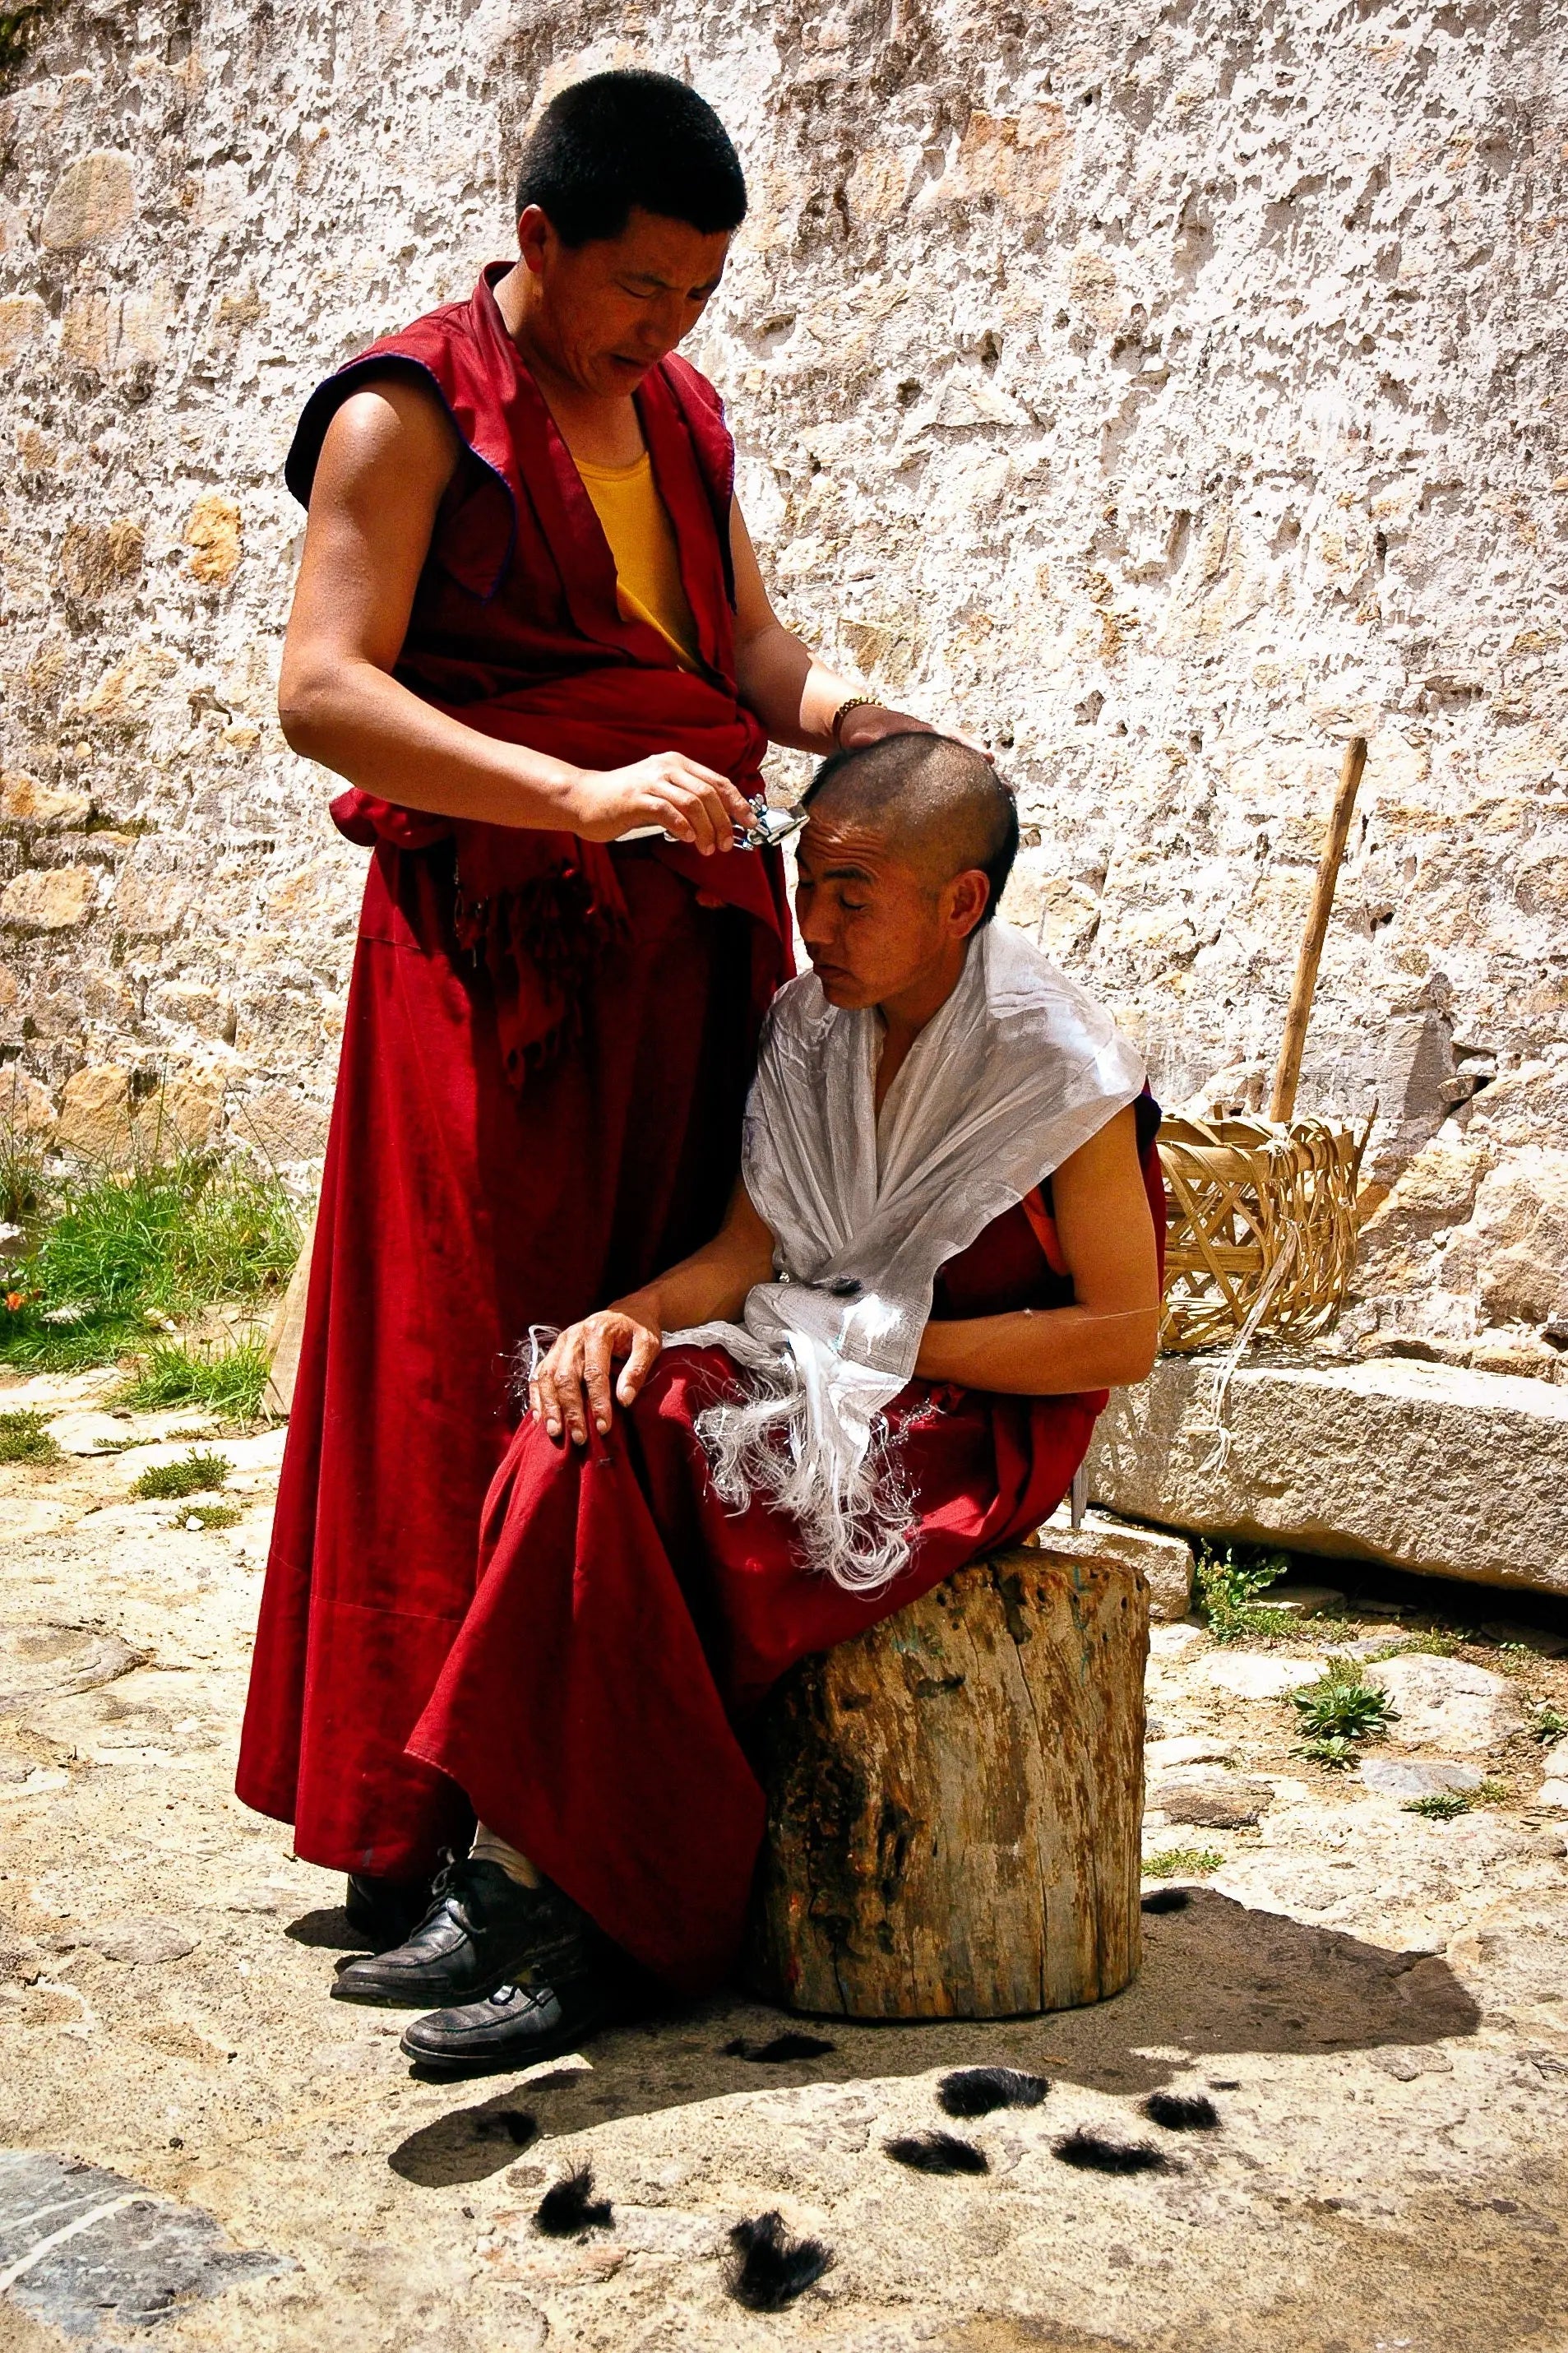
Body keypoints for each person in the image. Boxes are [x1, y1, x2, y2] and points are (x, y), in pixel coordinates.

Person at [234, 71, 948, 1940]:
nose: (669, 331)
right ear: (536, 238)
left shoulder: (681, 415)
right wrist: (576, 795)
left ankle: (584, 1825)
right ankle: (434, 1817)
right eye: (642, 289)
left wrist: (842, 714)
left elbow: (733, 651)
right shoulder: (408, 419)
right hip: (499, 974)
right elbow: (324, 689)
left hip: (682, 959)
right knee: (467, 1362)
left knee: (638, 1363)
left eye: (701, 297)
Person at [329, 734, 1165, 2071]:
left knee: (677, 1489)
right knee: (595, 1422)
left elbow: (1120, 1333)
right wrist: (628, 1320)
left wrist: (886, 1347)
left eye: (854, 894)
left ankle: (589, 1923)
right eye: (807, 883)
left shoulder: (1063, 1068)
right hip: (825, 1352)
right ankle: (520, 1875)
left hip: (975, 1412)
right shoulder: (806, 1024)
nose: (813, 924)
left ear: (962, 903)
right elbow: (746, 1255)